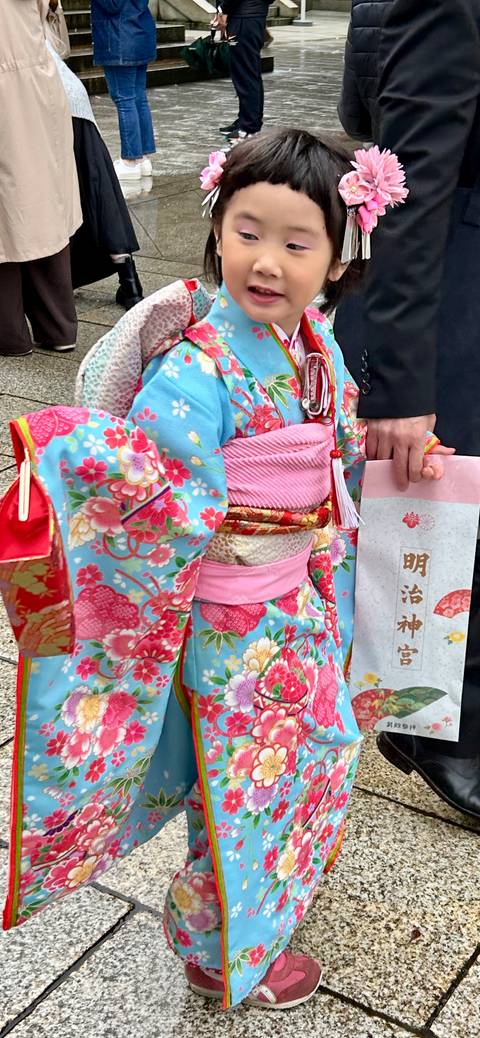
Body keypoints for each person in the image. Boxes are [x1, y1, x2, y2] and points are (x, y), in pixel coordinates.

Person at [3, 130, 446, 1007]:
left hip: (295, 600)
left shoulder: (312, 344)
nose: (267, 262)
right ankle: (214, 946)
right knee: (241, 781)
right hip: (232, 619)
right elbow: (156, 484)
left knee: (310, 755)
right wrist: (69, 454)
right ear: (216, 229)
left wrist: (396, 460)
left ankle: (258, 900)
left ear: (340, 254)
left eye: (296, 242)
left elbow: (336, 447)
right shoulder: (199, 364)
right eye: (248, 232)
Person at [334, 0, 480, 818]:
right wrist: (402, 386)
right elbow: (412, 184)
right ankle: (434, 731)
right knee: (450, 520)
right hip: (455, 280)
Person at [0, 0, 81, 357]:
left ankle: (9, 334)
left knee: (8, 217)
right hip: (39, 81)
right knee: (44, 205)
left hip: (12, 86)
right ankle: (58, 326)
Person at [46, 36, 144, 310]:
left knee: (57, 192)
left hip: (39, 101)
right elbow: (59, 44)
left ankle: (59, 284)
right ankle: (130, 281)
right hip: (70, 95)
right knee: (97, 187)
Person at [91, 0, 157, 182]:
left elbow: (113, 5)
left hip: (120, 37)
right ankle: (142, 157)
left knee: (125, 99)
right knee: (138, 98)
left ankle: (130, 160)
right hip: (137, 33)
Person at [214, 0, 269, 141]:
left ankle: (248, 126)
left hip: (243, 18)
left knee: (245, 74)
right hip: (250, 17)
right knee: (248, 73)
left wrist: (223, 9)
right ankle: (246, 120)